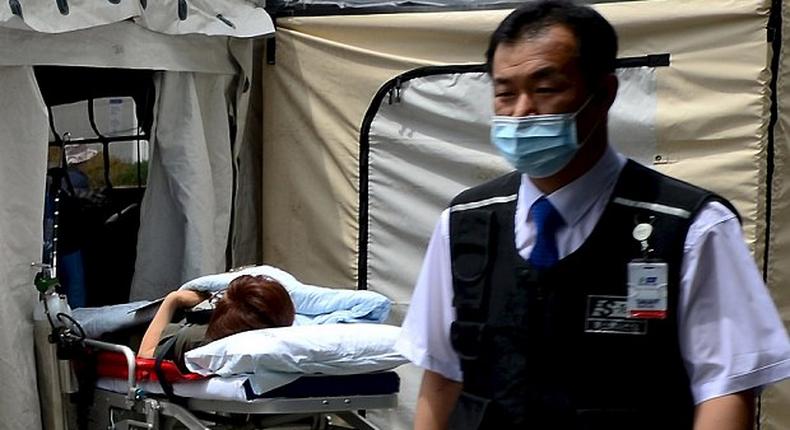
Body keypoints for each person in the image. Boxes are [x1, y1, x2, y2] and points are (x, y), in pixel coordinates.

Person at [394, 1, 790, 429]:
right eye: (505, 93)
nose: (522, 111)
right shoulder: (465, 221)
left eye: (545, 90)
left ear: (603, 94)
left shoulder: (689, 226)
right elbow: (441, 377)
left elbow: (725, 390)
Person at [138, 274, 295, 371]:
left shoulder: (200, 338)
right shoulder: (288, 337)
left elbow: (145, 357)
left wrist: (173, 300)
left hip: (147, 331)